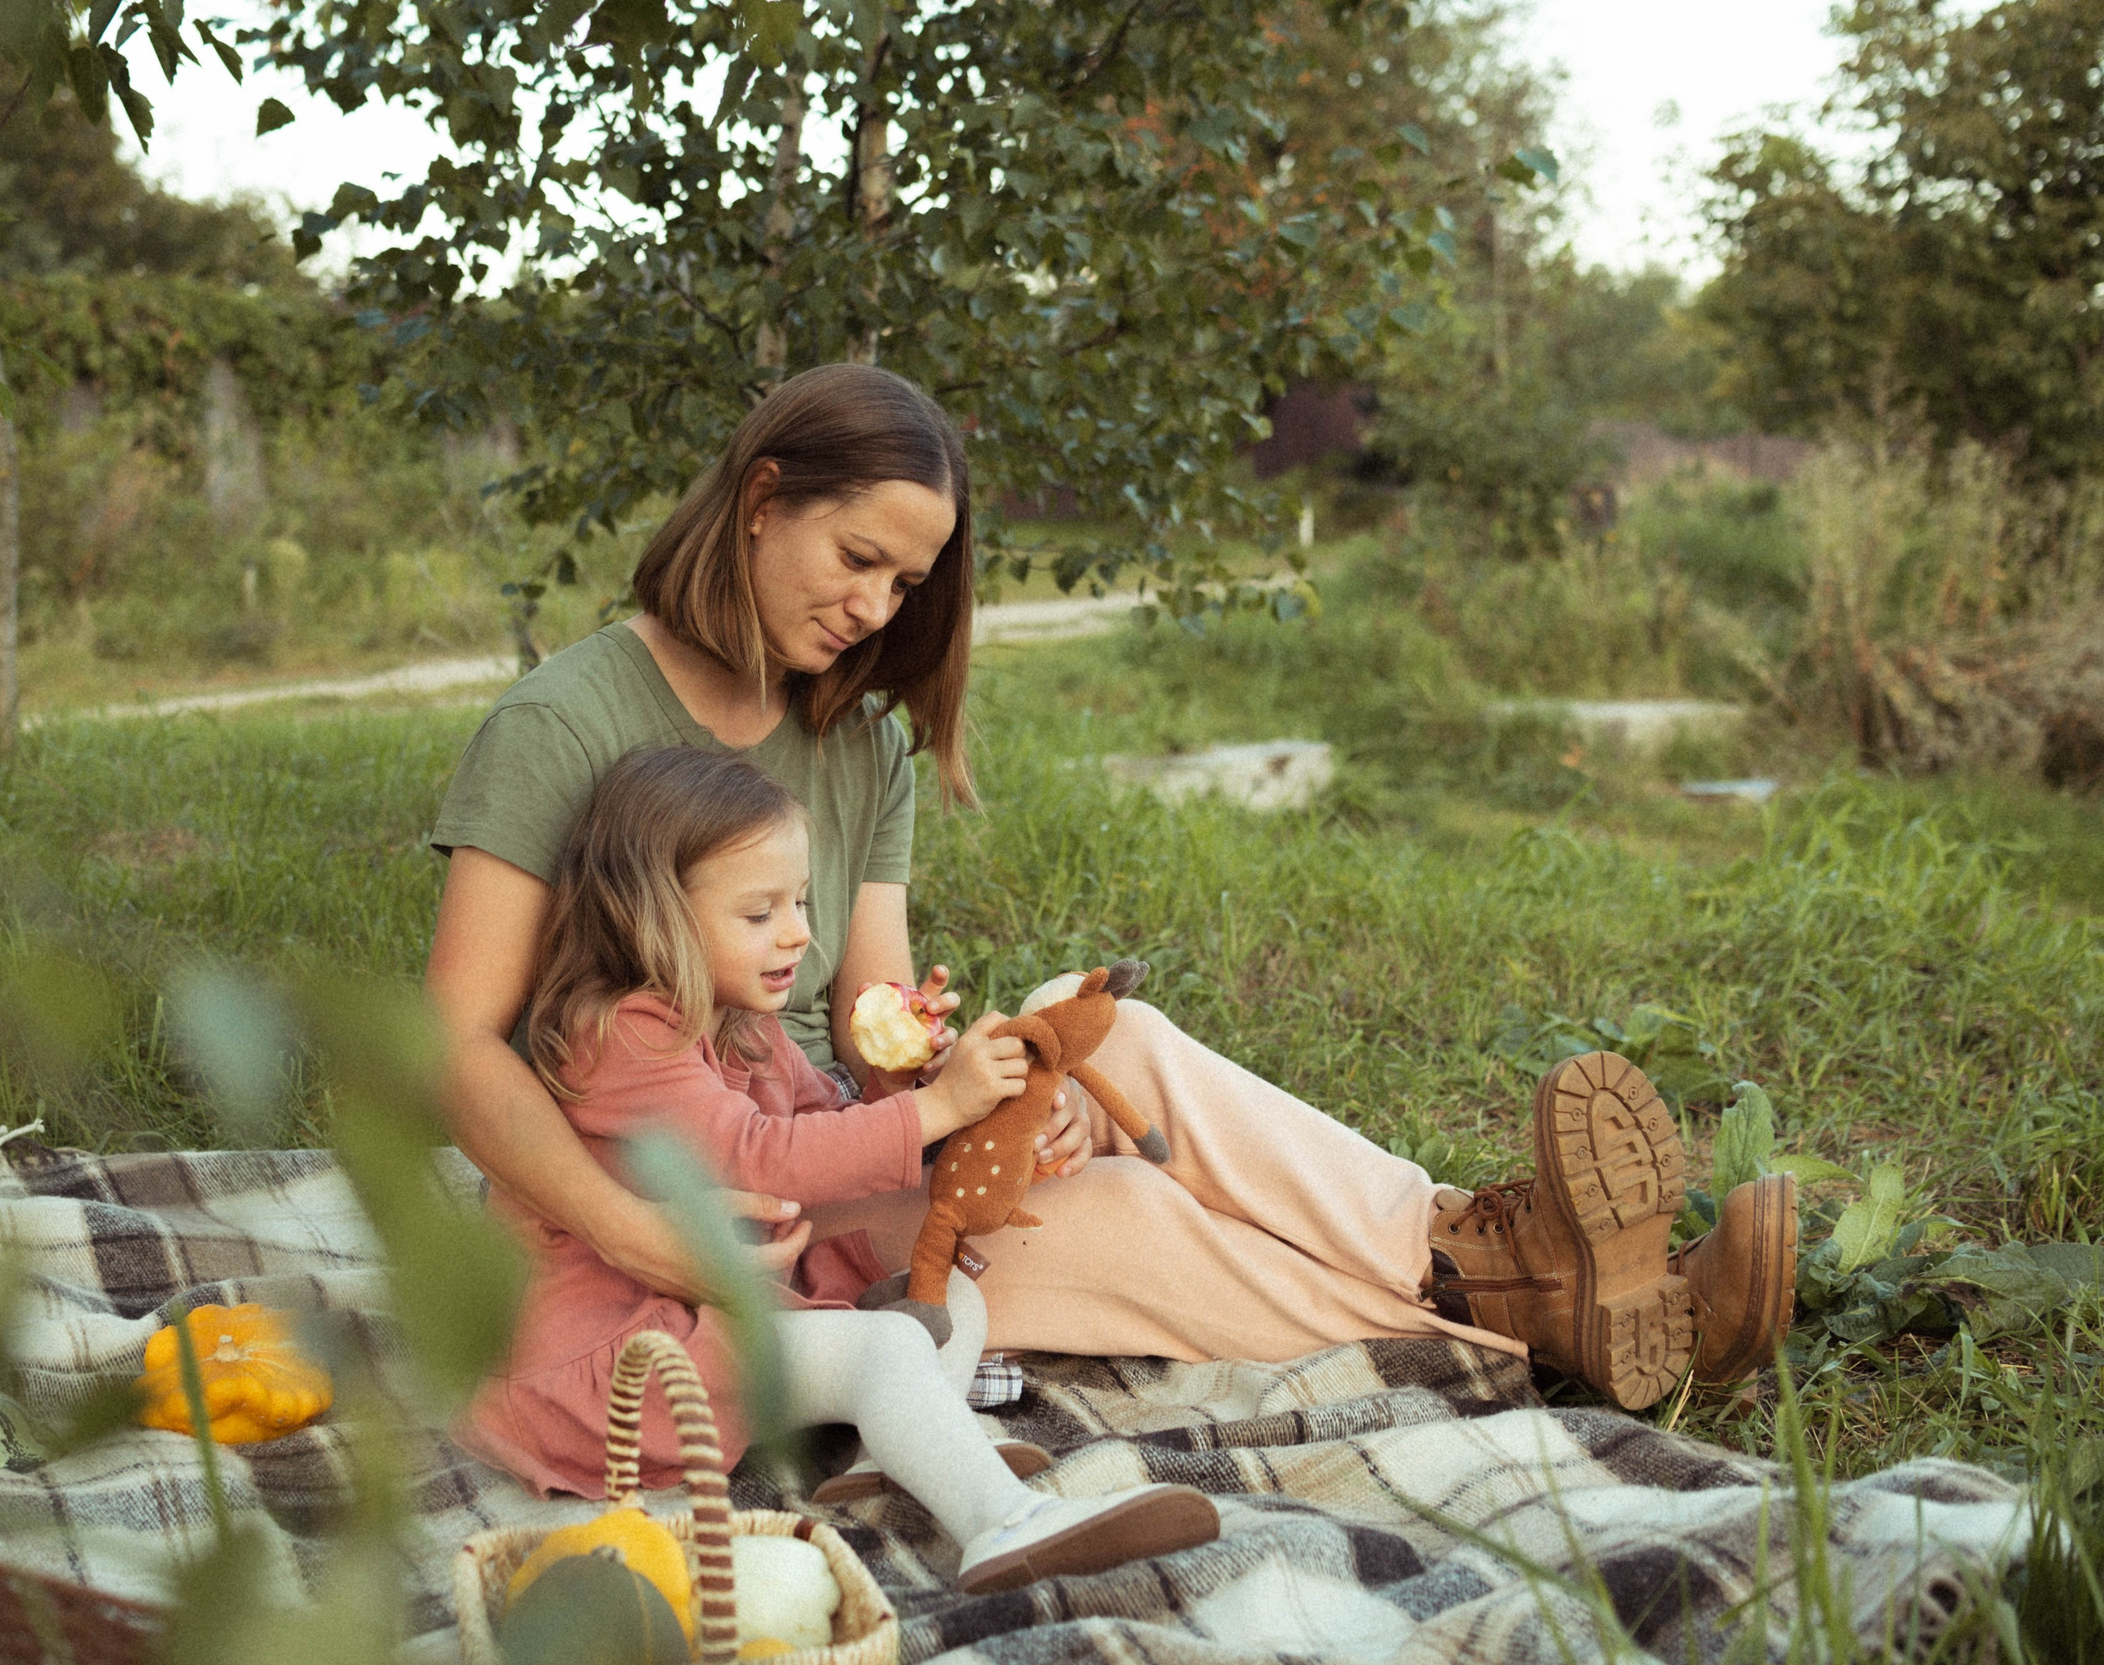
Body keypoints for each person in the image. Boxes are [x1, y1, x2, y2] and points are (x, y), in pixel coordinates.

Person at [425, 362, 1795, 1427]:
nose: (877, 610)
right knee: (1135, 1224)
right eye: (858, 561)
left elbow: (872, 1031)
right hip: (660, 1207)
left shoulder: (857, 742)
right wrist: (633, 1231)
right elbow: (455, 1046)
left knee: (1112, 1042)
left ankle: (1455, 1242)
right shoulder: (566, 720)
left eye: (907, 585)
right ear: (764, 495)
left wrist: (983, 1072)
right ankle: (1526, 1315)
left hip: (805, 1159)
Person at [454, 744, 1220, 1592]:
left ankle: (892, 1454)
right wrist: (935, 1110)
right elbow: (762, 1154)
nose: (800, 933)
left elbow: (827, 1127)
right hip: (617, 1368)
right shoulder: (623, 1036)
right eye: (759, 914)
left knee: (940, 1293)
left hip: (703, 1322)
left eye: (803, 901)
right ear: (651, 918)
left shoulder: (745, 1025)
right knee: (884, 1343)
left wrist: (902, 1079)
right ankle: (1002, 1521)